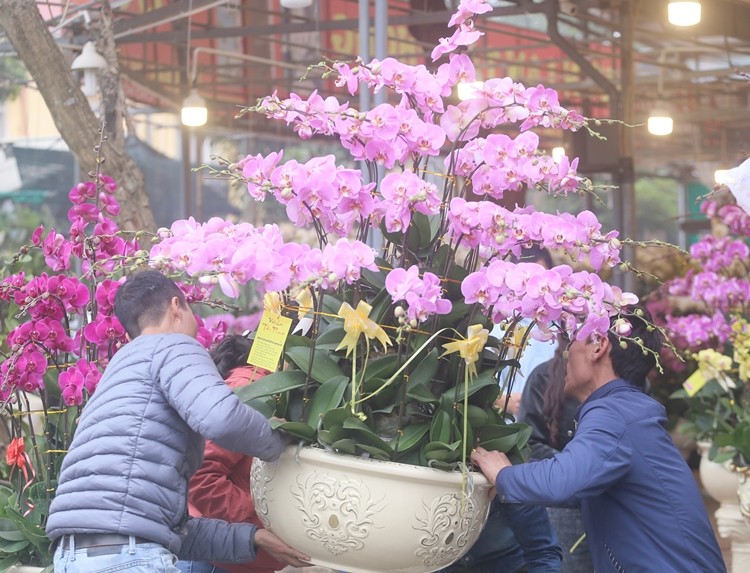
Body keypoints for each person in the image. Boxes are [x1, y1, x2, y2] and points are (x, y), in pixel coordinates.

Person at [46, 270, 311, 573]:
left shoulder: (117, 376)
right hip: (129, 557)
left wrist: (252, 537)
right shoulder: (173, 345)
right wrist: (278, 439)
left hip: (73, 558)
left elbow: (166, 529)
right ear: (176, 306)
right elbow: (222, 419)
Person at [472, 307, 727, 572]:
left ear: (598, 346)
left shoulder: (613, 412)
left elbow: (564, 481)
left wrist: (504, 475)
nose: (565, 355)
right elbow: (576, 483)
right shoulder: (625, 408)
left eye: (572, 341)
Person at [177, 334, 284, 573]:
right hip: (216, 560)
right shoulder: (249, 387)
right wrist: (266, 523)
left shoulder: (265, 389)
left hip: (236, 557)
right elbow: (201, 476)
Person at [518, 343, 593, 573]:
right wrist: (573, 470)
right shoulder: (544, 376)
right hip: (562, 505)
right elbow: (528, 443)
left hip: (611, 504)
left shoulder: (627, 383)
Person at [492, 246, 557, 416]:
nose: (534, 288)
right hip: (505, 427)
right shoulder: (497, 328)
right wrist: (500, 399)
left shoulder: (563, 329)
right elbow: (473, 385)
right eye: (527, 282)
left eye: (540, 280)